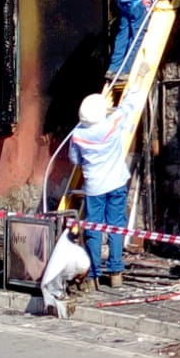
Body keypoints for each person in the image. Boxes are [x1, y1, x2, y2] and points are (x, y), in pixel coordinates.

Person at [67, 89, 142, 289]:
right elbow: (127, 108)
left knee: (94, 228)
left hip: (94, 187)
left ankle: (92, 275)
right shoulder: (111, 124)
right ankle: (116, 273)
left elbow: (74, 159)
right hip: (116, 182)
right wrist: (135, 89)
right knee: (116, 227)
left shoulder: (77, 135)